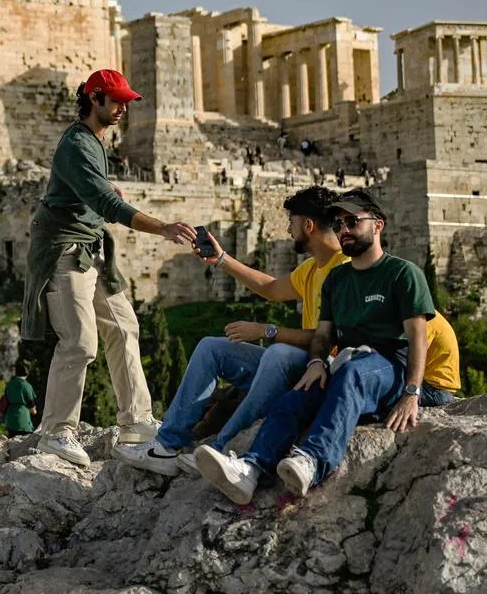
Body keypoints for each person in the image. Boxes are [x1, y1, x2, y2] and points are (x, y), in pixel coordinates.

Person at [194, 189, 441, 505]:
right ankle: (250, 469)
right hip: (349, 362)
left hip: (388, 365)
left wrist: (411, 393)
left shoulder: (402, 274)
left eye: (353, 222)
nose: (344, 231)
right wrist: (315, 364)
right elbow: (323, 335)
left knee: (352, 372)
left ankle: (313, 460)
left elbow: (418, 336)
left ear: (377, 225)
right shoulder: (337, 279)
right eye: (339, 224)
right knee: (297, 395)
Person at [21, 69, 196, 467]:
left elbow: (89, 192)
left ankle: (135, 420)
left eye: (124, 103)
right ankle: (57, 432)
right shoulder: (78, 144)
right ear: (94, 99)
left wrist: (102, 190)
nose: (122, 110)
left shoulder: (96, 142)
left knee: (124, 327)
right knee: (80, 342)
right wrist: (163, 227)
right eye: (115, 101)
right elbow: (109, 206)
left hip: (95, 252)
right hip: (65, 251)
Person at [115, 186, 347, 476]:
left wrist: (266, 330)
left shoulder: (344, 270)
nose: (288, 229)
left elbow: (334, 337)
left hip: (321, 372)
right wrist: (222, 259)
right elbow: (270, 288)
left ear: (309, 226)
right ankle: (166, 446)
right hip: (291, 367)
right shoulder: (313, 268)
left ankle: (223, 449)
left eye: (292, 222)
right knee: (212, 347)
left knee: (278, 354)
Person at [2, 360, 38, 438]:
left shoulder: (10, 384)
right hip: (23, 420)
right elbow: (31, 404)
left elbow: (5, 399)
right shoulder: (27, 385)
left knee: (11, 441)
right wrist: (34, 411)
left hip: (10, 420)